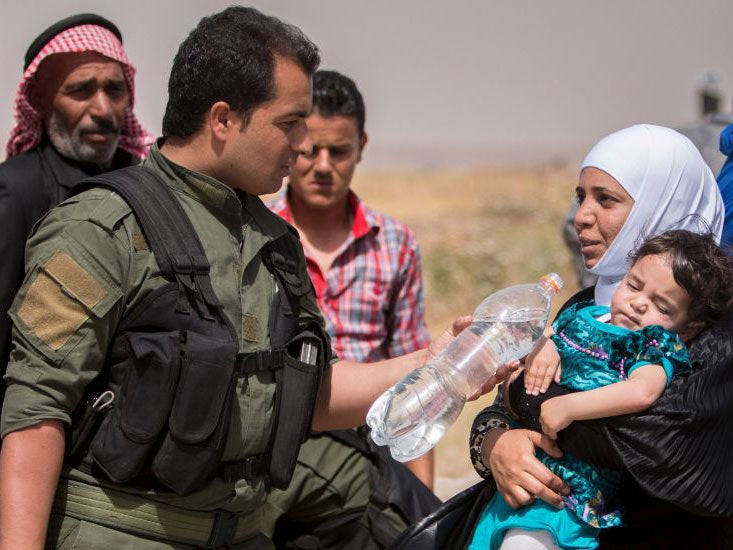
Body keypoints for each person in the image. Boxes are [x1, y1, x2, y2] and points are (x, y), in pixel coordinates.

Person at [0, 7, 505, 549]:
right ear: (223, 119)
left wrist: (432, 361)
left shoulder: (273, 243)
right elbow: (36, 412)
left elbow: (309, 396)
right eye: (289, 122)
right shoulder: (103, 228)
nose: (303, 142)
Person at [469, 124, 733, 548]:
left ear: (662, 203)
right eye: (581, 196)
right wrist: (498, 444)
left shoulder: (715, 331)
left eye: (606, 199)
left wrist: (533, 406)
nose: (581, 216)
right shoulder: (588, 306)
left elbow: (655, 443)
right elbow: (504, 407)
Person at [265, 70, 437, 547]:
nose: (323, 166)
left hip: (368, 469)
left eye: (338, 151)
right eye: (310, 149)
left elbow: (415, 391)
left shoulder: (394, 244)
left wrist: (415, 500)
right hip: (277, 458)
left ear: (360, 146)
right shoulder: (256, 235)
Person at [0, 13, 153, 402]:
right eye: (81, 91)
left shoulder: (147, 182)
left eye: (114, 90)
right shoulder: (18, 189)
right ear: (39, 99)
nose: (103, 109)